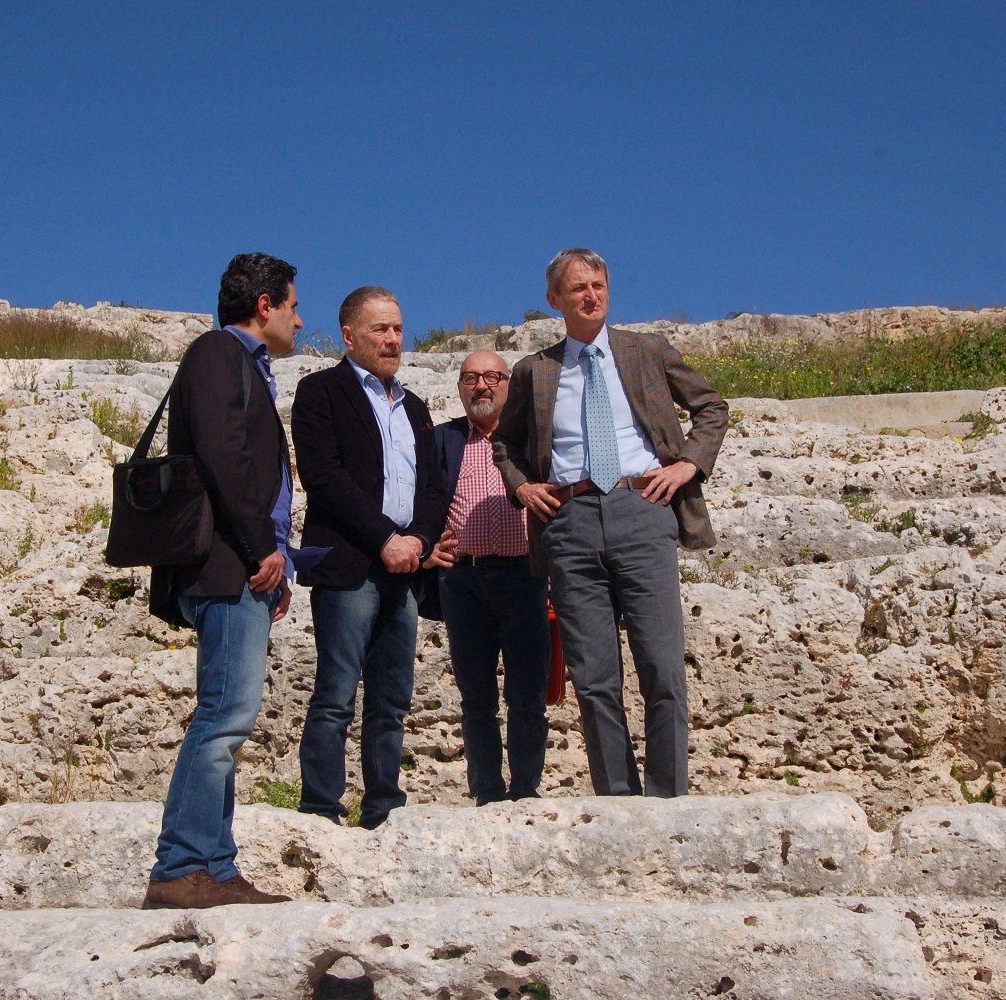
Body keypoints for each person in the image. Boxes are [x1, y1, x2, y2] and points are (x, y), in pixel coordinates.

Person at [491, 248, 729, 798]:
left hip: (642, 510)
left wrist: (689, 462)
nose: (591, 295)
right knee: (595, 677)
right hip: (569, 521)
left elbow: (711, 406)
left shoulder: (646, 350)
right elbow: (504, 442)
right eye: (577, 288)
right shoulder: (535, 371)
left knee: (663, 667)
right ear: (554, 300)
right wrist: (521, 485)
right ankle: (618, 801)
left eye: (598, 284)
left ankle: (669, 799)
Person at [143, 252, 303, 909]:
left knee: (228, 722)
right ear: (264, 305)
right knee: (222, 717)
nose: (299, 318)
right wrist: (264, 548)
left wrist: (278, 564)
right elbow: (223, 456)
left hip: (246, 568)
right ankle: (182, 865)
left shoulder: (240, 364)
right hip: (227, 565)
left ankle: (215, 865)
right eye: (293, 304)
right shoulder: (216, 353)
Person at [293, 286, 444, 829]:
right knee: (336, 694)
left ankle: (383, 805)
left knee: (392, 697)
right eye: (380, 329)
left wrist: (419, 542)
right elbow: (325, 478)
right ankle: (321, 808)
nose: (392, 339)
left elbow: (431, 489)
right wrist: (385, 538)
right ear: (349, 335)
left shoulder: (415, 406)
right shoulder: (320, 393)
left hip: (404, 569)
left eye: (398, 329)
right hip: (351, 565)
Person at [423, 351, 551, 804]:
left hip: (525, 577)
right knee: (475, 697)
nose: (482, 386)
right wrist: (424, 544)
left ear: (510, 387)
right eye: (471, 378)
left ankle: (526, 792)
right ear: (459, 388)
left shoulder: (533, 441)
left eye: (493, 377)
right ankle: (487, 795)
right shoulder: (441, 440)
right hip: (463, 582)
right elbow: (418, 498)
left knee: (528, 696)